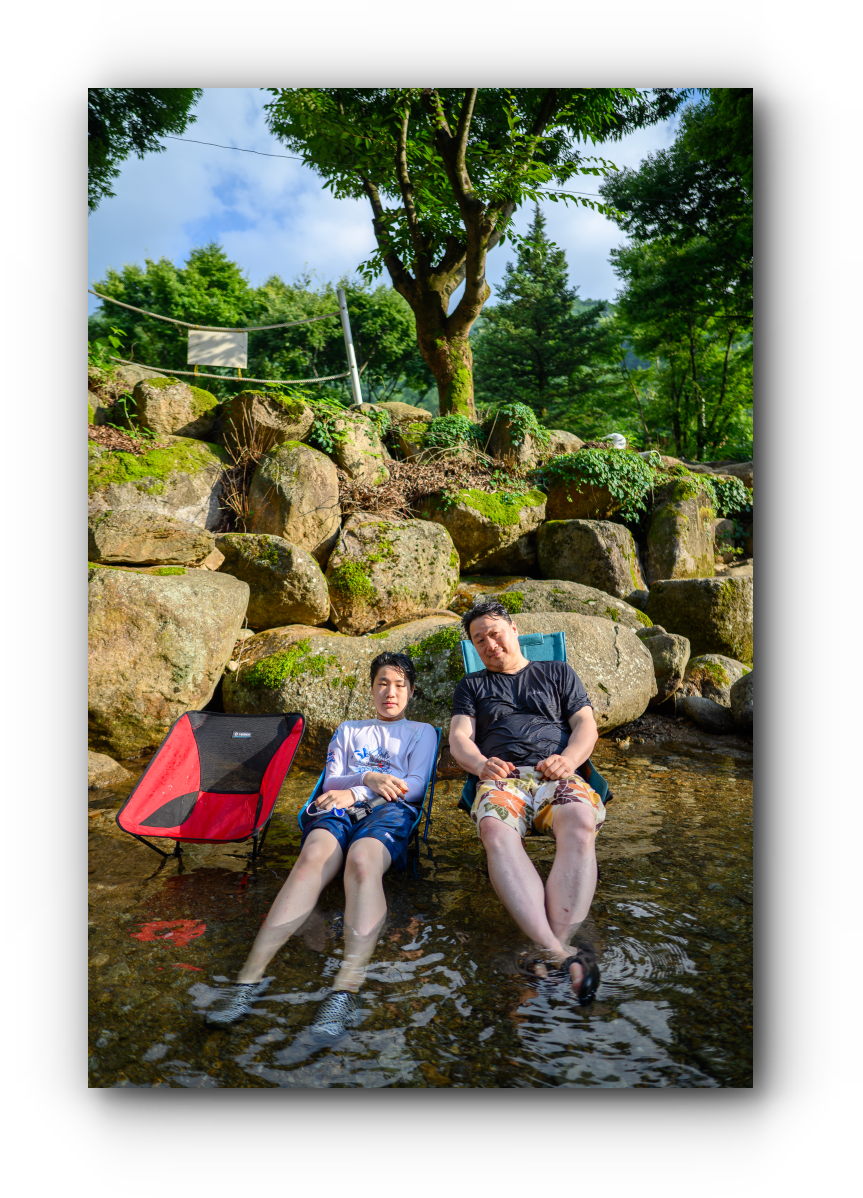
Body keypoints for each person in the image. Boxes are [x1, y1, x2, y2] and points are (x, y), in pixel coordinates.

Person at [206, 651, 438, 1032]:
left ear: (411, 691)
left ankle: (345, 989)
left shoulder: (421, 732)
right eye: (382, 683)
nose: (390, 692)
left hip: (390, 809)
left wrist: (361, 790)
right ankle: (248, 980)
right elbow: (331, 781)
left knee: (362, 861)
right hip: (338, 805)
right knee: (311, 858)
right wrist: (367, 779)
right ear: (371, 689)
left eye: (400, 685)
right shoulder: (349, 729)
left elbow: (413, 787)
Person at [448, 601, 605, 1002]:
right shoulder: (472, 685)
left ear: (514, 630)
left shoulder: (557, 672)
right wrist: (481, 765)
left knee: (580, 822)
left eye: (494, 633)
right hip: (504, 777)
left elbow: (586, 724)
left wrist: (569, 759)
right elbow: (459, 738)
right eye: (479, 640)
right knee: (494, 829)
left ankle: (550, 949)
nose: (489, 644)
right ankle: (561, 953)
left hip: (556, 770)